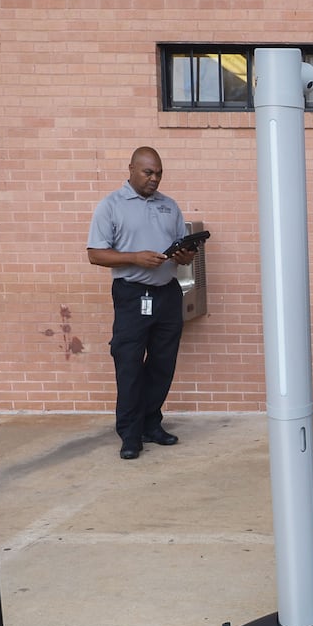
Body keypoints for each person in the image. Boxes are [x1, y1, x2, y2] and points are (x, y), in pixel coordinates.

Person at [87, 147, 196, 461]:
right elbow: (95, 254)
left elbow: (181, 248)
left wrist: (186, 255)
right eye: (148, 172)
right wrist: (135, 257)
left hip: (166, 293)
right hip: (132, 295)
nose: (154, 178)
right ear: (132, 168)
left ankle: (152, 424)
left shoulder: (169, 206)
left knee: (163, 365)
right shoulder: (111, 206)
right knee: (130, 366)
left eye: (159, 173)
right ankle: (130, 434)